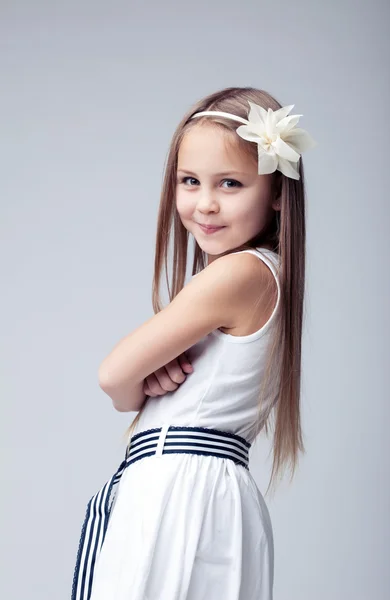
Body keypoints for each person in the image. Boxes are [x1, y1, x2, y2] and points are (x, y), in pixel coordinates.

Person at [70, 86, 317, 600]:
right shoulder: (252, 276)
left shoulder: (241, 273)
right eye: (190, 181)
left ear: (276, 192)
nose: (205, 203)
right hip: (189, 490)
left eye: (230, 183)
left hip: (182, 496)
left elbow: (114, 376)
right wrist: (144, 379)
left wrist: (135, 388)